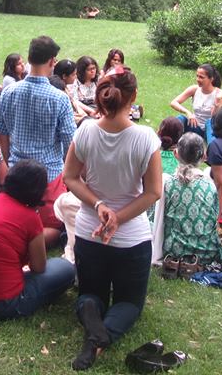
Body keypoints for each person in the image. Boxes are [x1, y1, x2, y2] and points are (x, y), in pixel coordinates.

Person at [62, 68, 162, 371]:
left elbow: (70, 177)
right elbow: (153, 192)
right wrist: (117, 217)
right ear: (133, 97)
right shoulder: (145, 138)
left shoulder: (86, 131)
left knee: (90, 294)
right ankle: (98, 338)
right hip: (131, 239)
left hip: (89, 233)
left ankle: (93, 323)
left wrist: (99, 205)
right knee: (129, 303)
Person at [0, 159, 76, 320]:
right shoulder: (30, 218)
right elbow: (38, 267)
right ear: (39, 191)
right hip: (1, 305)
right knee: (65, 268)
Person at [0, 35, 77, 246]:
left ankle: (15, 238)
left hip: (17, 172)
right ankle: (26, 244)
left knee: (16, 220)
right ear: (52, 61)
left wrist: (9, 161)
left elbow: (1, 132)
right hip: (49, 177)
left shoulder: (8, 92)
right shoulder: (59, 98)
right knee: (57, 225)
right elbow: (70, 143)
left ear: (30, 58)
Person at [161, 133, 222, 266]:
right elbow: (215, 219)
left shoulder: (168, 183)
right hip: (207, 253)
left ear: (175, 154)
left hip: (174, 252)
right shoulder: (210, 185)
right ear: (204, 156)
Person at [169, 63, 222, 140]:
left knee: (210, 122)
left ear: (211, 79)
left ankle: (212, 146)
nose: (198, 79)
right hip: (195, 126)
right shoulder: (194, 89)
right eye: (197, 76)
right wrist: (188, 113)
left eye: (201, 77)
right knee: (180, 118)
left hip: (209, 130)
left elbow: (216, 118)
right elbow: (173, 102)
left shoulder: (219, 94)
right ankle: (169, 142)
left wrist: (217, 103)